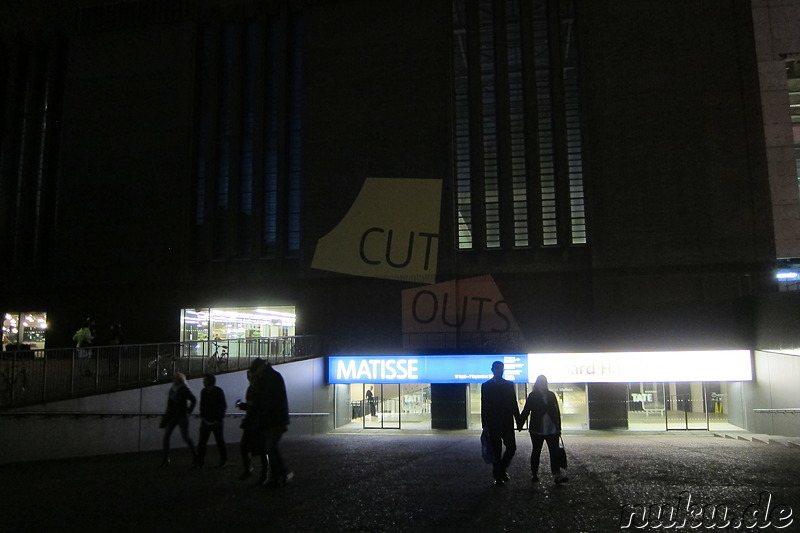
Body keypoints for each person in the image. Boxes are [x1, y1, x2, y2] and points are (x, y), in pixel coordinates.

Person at [247, 358, 293, 487]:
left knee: (270, 448)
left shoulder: (269, 379)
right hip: (274, 420)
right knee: (271, 448)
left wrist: (254, 383)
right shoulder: (272, 377)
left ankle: (281, 474)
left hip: (274, 420)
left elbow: (264, 399)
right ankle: (279, 476)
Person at [518, 374, 568, 484]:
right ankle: (552, 474)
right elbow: (556, 412)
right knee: (545, 451)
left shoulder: (534, 395)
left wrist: (520, 423)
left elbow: (526, 411)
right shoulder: (550, 395)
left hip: (539, 428)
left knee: (539, 451)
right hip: (548, 429)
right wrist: (558, 427)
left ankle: (542, 473)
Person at [481, 360, 520, 486]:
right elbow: (484, 406)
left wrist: (518, 420)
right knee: (496, 451)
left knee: (511, 448)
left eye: (501, 368)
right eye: (497, 368)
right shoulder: (486, 386)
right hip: (493, 423)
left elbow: (514, 403)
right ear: (492, 370)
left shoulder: (509, 385)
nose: (499, 370)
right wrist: (485, 425)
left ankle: (500, 470)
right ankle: (498, 475)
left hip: (507, 422)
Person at [236, 361, 269, 485]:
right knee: (245, 446)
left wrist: (245, 406)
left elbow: (257, 406)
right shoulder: (252, 389)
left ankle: (263, 474)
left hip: (258, 422)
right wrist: (244, 406)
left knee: (261, 449)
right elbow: (252, 406)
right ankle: (250, 470)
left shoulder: (258, 389)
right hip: (252, 422)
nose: (249, 379)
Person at [160, 373, 198, 467]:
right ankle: (165, 459)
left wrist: (189, 411)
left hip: (180, 415)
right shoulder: (174, 389)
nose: (174, 380)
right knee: (168, 436)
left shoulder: (181, 389)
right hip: (175, 416)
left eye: (176, 379)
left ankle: (195, 456)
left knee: (184, 437)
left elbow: (193, 399)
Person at [196, 373, 228, 468]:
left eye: (205, 380)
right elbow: (222, 405)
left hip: (212, 420)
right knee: (216, 441)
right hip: (212, 420)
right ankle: (223, 460)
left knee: (206, 442)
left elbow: (222, 406)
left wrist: (205, 416)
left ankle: (200, 462)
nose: (203, 382)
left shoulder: (205, 392)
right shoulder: (216, 391)